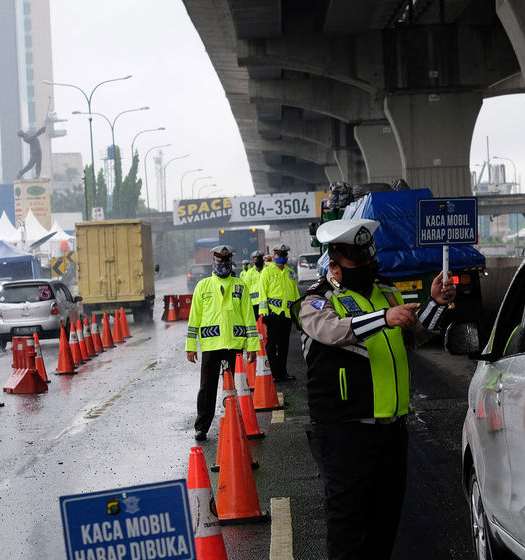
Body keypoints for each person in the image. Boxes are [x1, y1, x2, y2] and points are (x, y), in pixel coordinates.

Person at [298, 218, 455, 560]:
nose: (368, 266)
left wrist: (436, 304)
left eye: (371, 259)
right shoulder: (317, 301)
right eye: (358, 262)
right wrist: (385, 318)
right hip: (344, 433)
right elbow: (332, 332)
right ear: (335, 268)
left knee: (385, 526)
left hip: (391, 432)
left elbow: (415, 335)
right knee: (349, 531)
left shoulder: (387, 292)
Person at [185, 245, 260, 442]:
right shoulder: (203, 286)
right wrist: (190, 347)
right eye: (219, 261)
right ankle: (201, 428)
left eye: (226, 262)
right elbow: (194, 319)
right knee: (207, 388)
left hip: (234, 345)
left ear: (230, 263)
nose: (223, 265)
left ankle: (244, 423)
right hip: (211, 346)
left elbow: (249, 318)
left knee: (239, 387)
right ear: (214, 263)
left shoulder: (239, 286)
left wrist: (253, 347)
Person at [260, 243, 300, 382]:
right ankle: (274, 374)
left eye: (284, 255)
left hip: (287, 314)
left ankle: (283, 373)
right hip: (273, 313)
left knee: (284, 345)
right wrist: (265, 312)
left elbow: (295, 294)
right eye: (279, 254)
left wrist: (297, 313)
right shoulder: (267, 271)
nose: (282, 257)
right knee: (272, 345)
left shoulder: (291, 272)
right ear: (274, 255)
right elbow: (262, 292)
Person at [241, 250, 268, 319]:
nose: (257, 261)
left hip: (266, 303)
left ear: (262, 260)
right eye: (255, 259)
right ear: (253, 261)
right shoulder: (249, 273)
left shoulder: (268, 271)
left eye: (259, 259)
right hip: (254, 303)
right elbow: (246, 289)